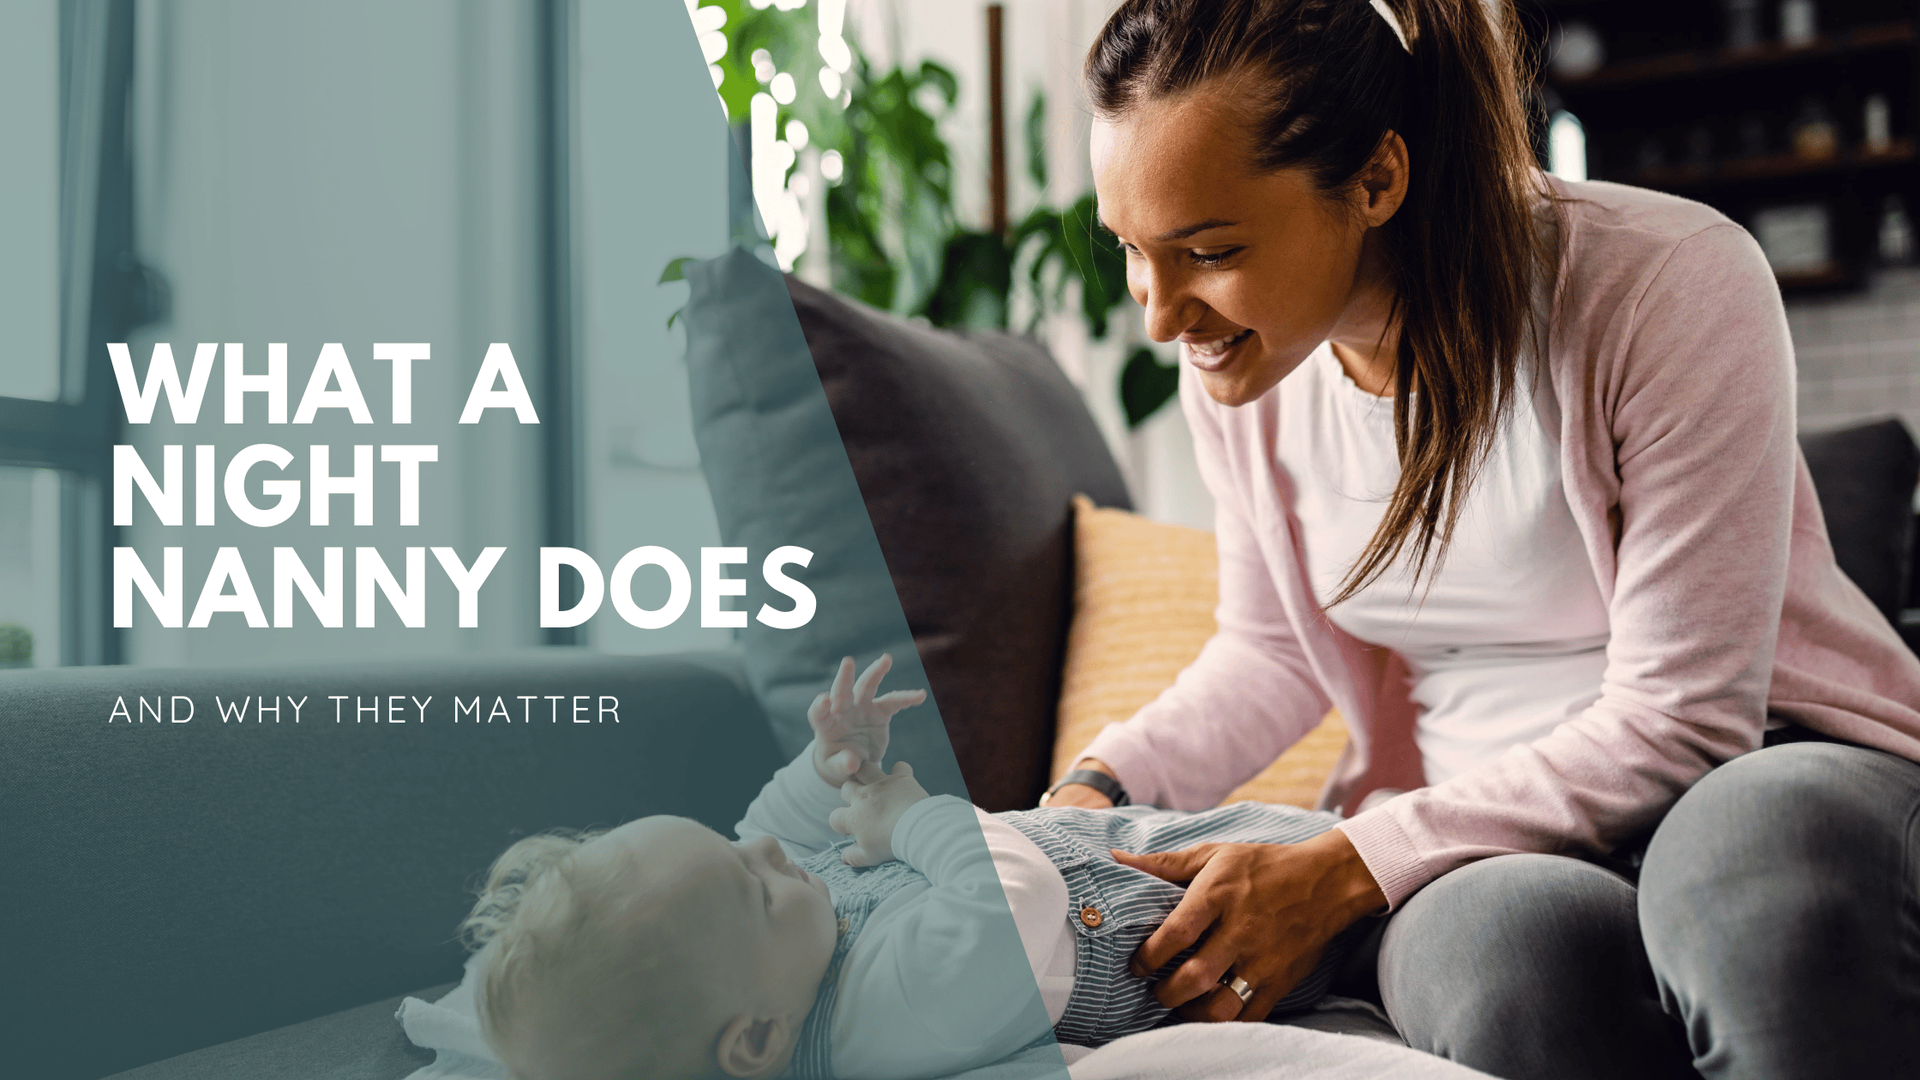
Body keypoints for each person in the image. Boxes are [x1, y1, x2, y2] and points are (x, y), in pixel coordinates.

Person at [1043, 1, 1920, 1078]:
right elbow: (1271, 650)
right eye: (1132, 249)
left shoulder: (1666, 280)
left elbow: (1688, 718)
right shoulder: (1243, 374)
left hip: (1764, 762)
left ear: (1377, 181)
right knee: (1499, 952)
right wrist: (1100, 786)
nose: (1161, 315)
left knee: (1748, 860)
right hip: (1470, 833)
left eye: (1209, 250)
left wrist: (1345, 865)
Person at [460, 655, 1358, 1080]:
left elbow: (768, 826)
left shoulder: (772, 953)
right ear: (757, 1042)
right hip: (1234, 910)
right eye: (754, 882)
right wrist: (915, 816)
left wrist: (828, 769)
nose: (767, 851)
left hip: (1159, 842)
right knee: (1364, 854)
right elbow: (1018, 900)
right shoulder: (885, 1013)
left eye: (734, 848)